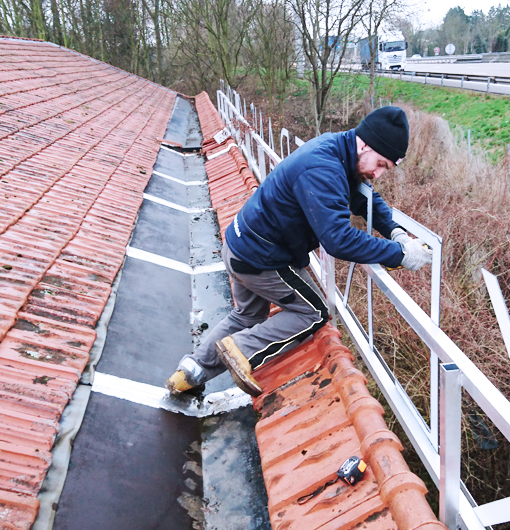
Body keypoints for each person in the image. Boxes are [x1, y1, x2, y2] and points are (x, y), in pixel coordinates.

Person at [166, 106, 431, 397]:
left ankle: (191, 371)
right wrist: (399, 254)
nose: (378, 174)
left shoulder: (337, 150)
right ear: (365, 144)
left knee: (247, 317)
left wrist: (395, 231)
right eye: (380, 164)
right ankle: (241, 350)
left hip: (239, 245)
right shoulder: (324, 169)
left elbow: (364, 197)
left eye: (385, 169)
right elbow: (338, 240)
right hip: (262, 258)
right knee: (314, 312)